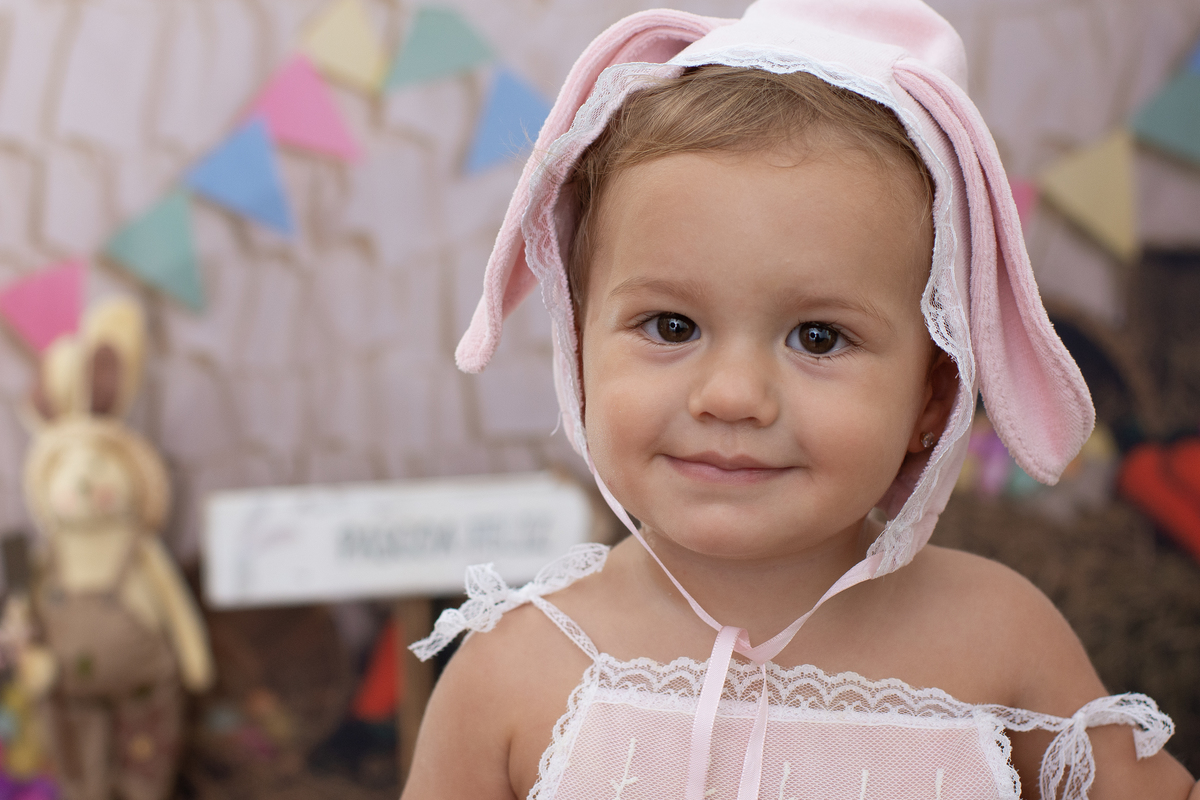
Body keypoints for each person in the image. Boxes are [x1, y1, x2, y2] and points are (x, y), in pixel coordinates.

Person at [401, 1, 1200, 798]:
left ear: (935, 393)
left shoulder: (999, 642)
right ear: (579, 347)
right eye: (671, 325)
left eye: (818, 338)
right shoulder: (514, 668)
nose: (734, 396)